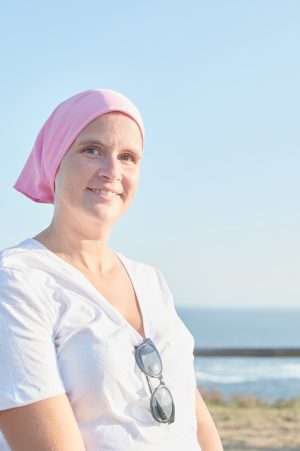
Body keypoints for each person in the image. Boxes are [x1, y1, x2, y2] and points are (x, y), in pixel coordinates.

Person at [0, 89, 223, 451]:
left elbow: (191, 410)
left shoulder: (151, 281)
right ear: (56, 160)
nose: (112, 171)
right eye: (92, 150)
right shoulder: (17, 280)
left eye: (128, 157)